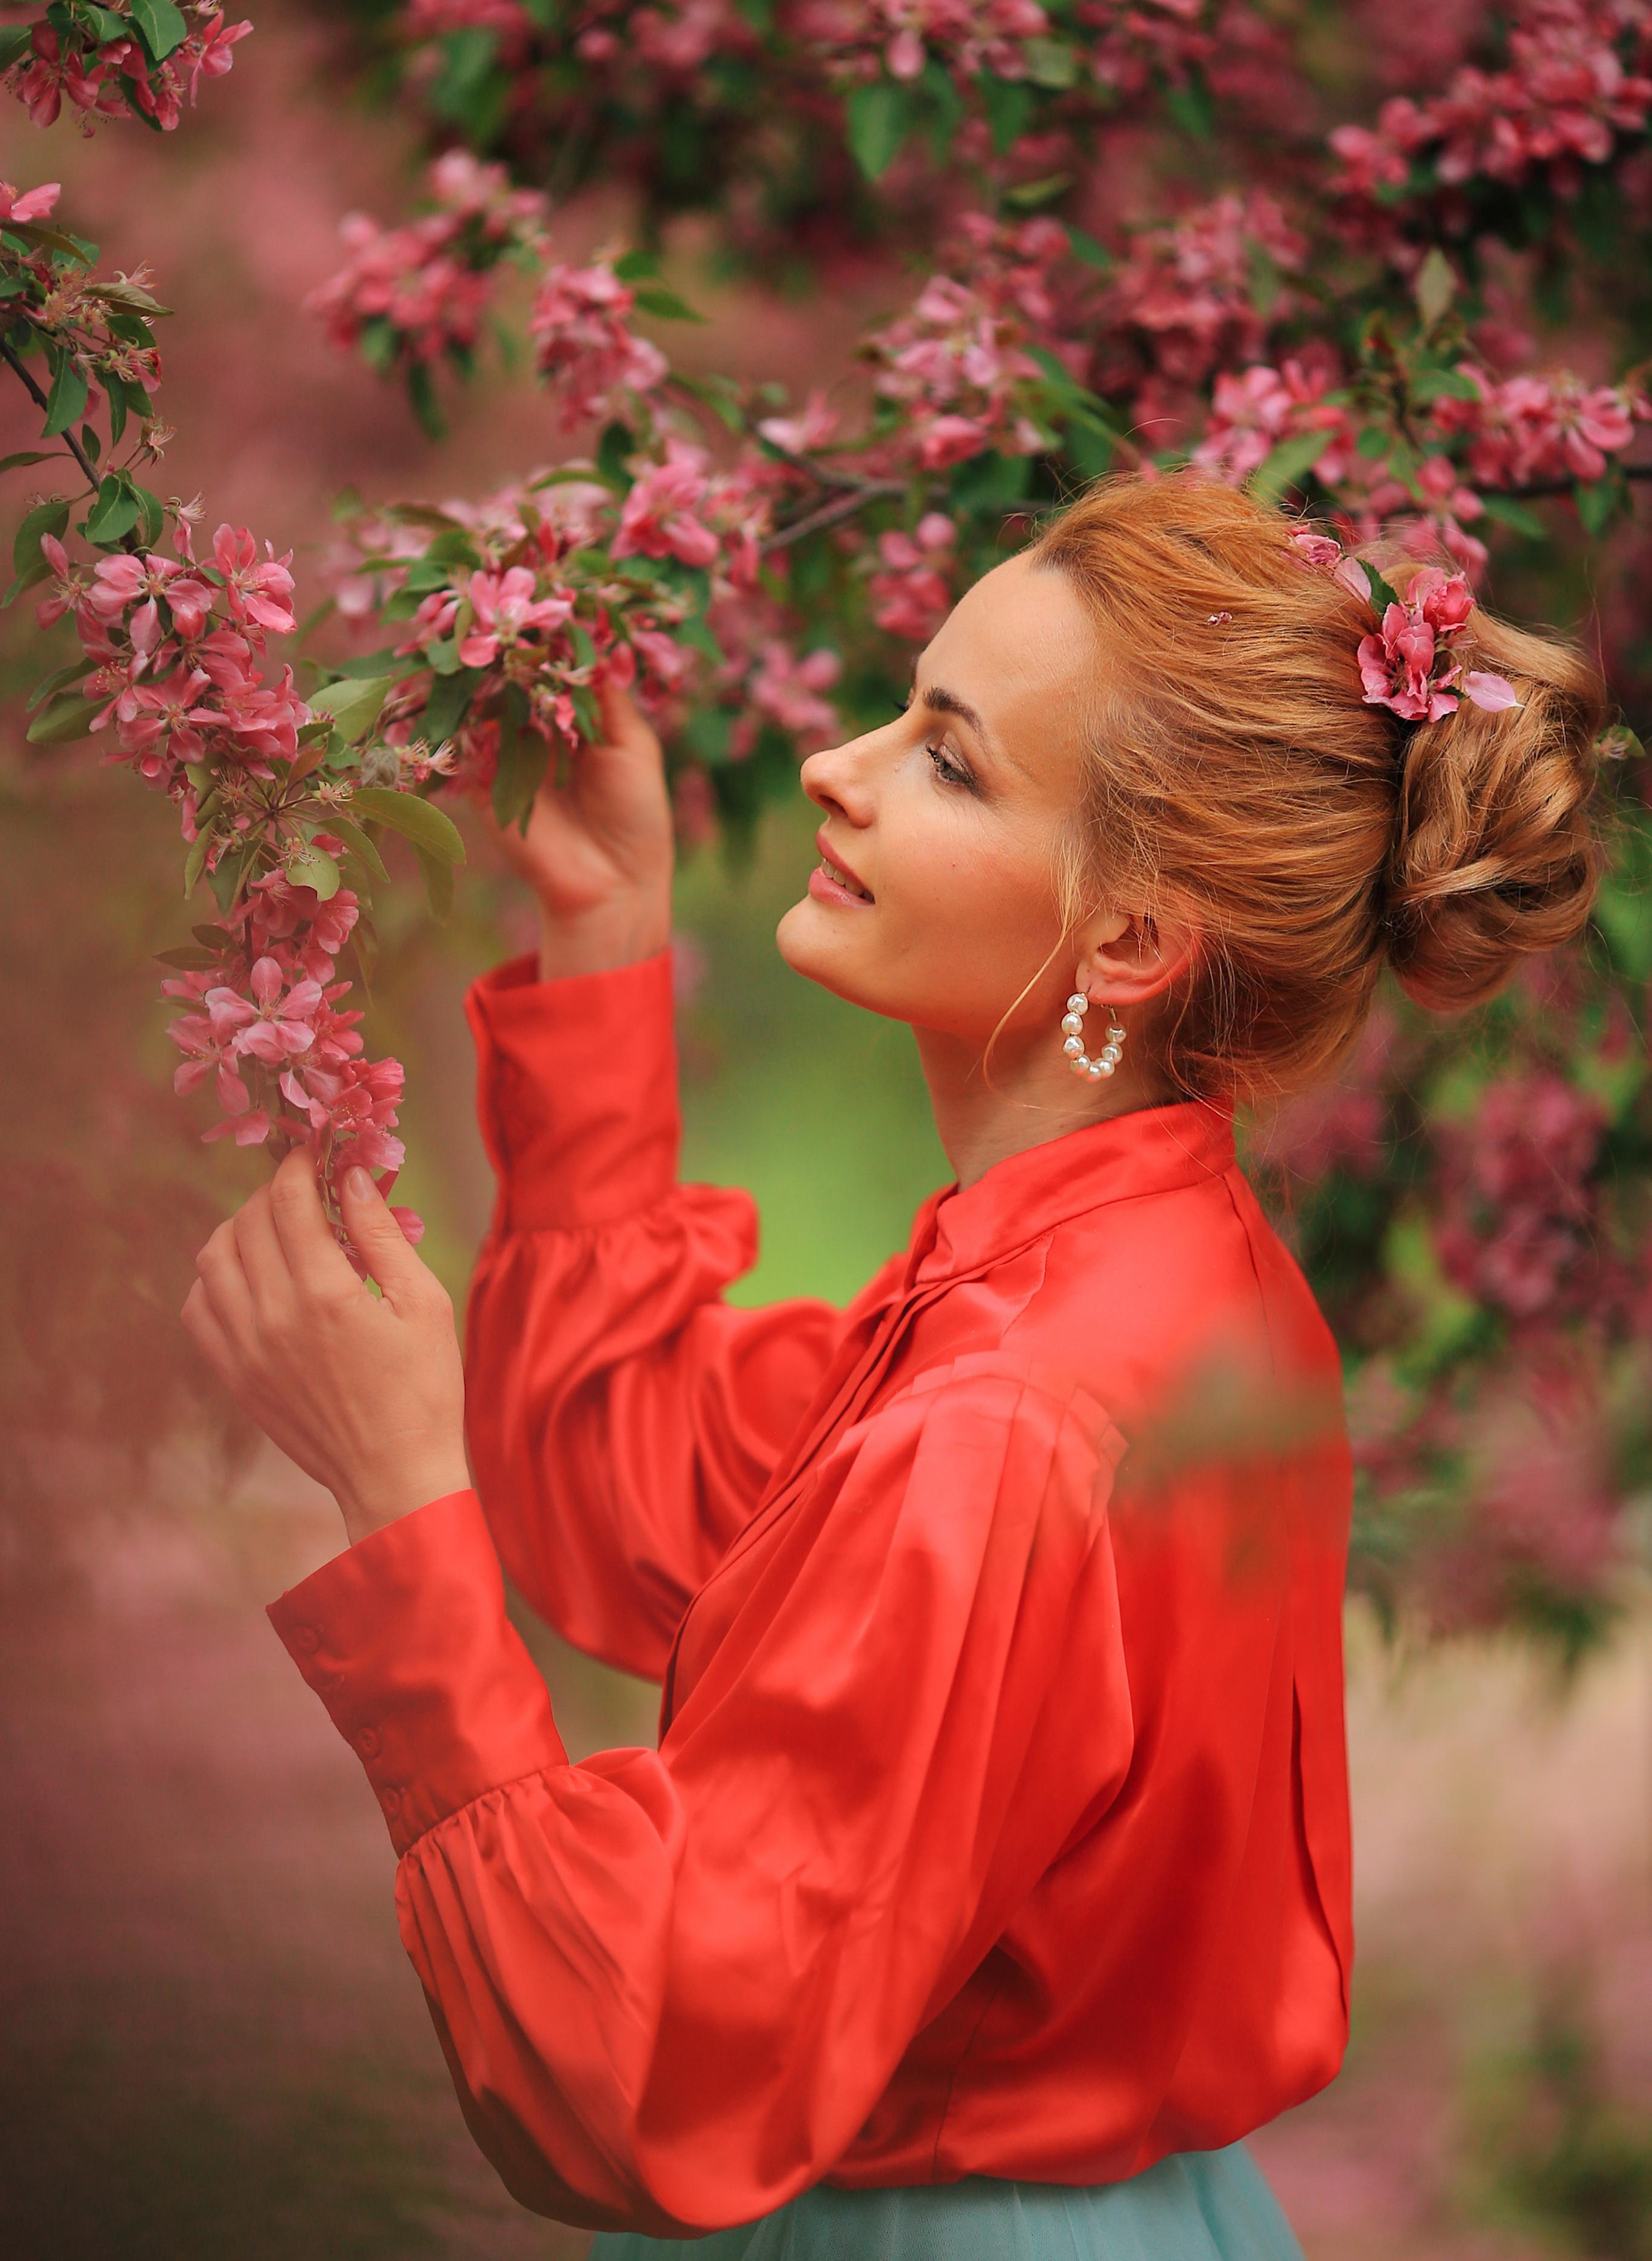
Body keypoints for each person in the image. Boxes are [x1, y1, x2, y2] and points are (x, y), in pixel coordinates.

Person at [182, 472, 1606, 2258]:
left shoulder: (1015, 1405)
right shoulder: (1154, 1274)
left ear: (1136, 938)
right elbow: (657, 1512)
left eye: (948, 757)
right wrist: (610, 920)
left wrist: (398, 1500)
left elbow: (649, 2064)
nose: (830, 769)